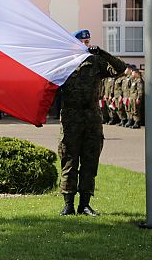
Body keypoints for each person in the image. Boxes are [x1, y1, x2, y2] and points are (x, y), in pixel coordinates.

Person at [58, 29, 125, 217]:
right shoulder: (64, 64)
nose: (86, 45)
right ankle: (68, 204)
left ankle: (85, 204)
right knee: (69, 161)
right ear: (74, 44)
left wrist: (101, 52)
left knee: (89, 162)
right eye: (83, 42)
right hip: (71, 119)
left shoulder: (95, 62)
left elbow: (120, 68)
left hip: (92, 120)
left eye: (88, 42)